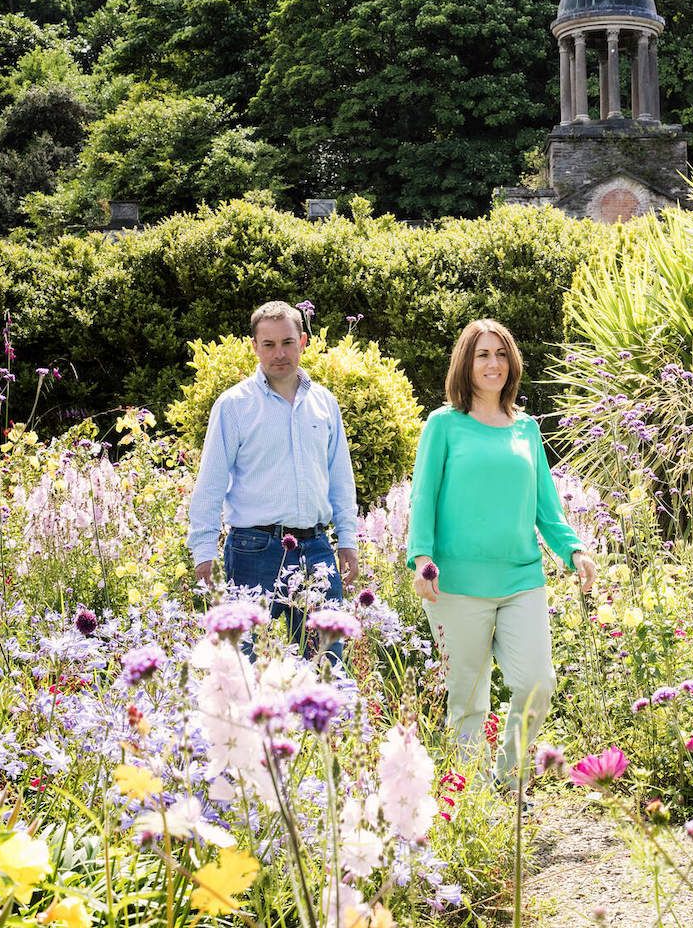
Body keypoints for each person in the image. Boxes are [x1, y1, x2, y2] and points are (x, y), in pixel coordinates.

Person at [407, 318, 596, 790]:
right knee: (468, 700)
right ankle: (474, 805)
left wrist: (573, 550)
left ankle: (511, 783)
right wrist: (421, 560)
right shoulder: (444, 424)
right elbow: (423, 497)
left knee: (538, 683)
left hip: (521, 580)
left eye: (501, 354)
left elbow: (546, 508)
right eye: (482, 355)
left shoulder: (526, 429)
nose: (493, 364)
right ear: (465, 363)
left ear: (511, 362)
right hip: (456, 586)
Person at [188, 300, 360, 651]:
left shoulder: (324, 403)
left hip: (315, 549)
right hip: (253, 550)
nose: (279, 353)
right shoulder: (234, 405)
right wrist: (203, 551)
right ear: (254, 346)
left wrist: (347, 539)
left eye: (287, 342)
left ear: (304, 342)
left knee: (324, 666)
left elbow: (340, 479)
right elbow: (210, 485)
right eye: (268, 344)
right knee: (245, 673)